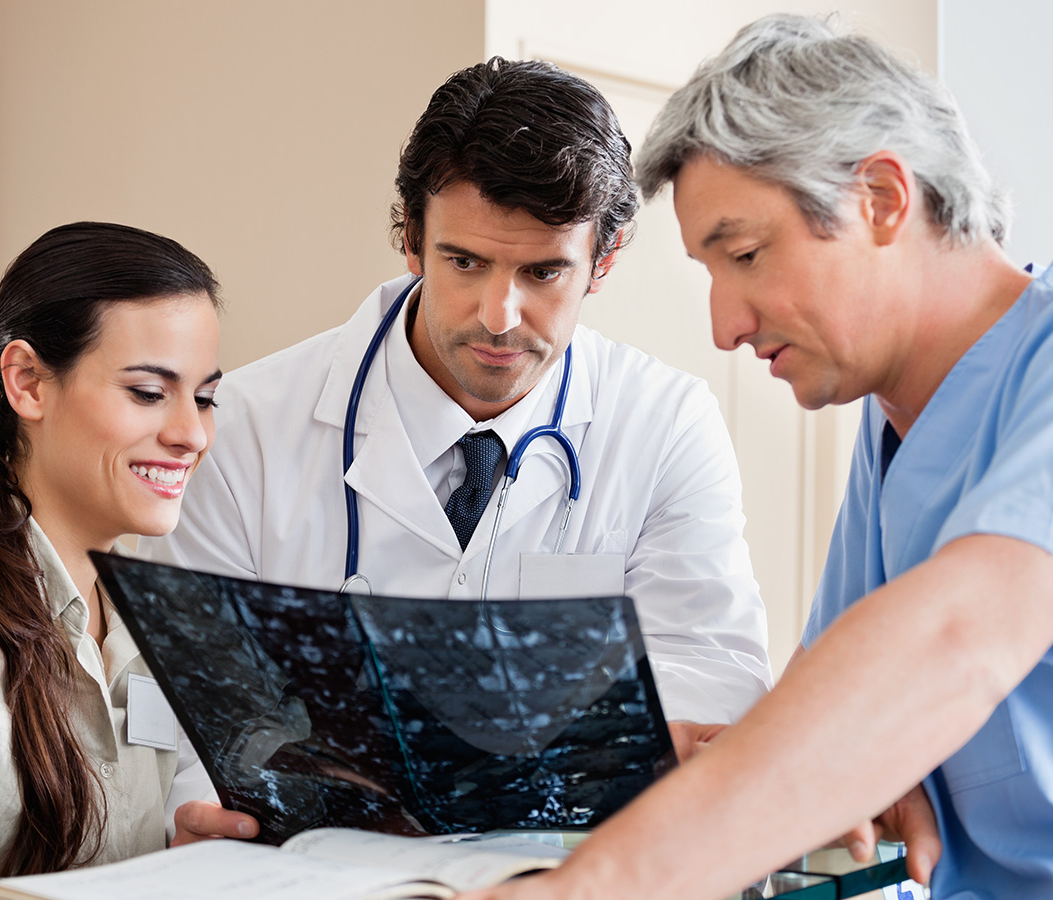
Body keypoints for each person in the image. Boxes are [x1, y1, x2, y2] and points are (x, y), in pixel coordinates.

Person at [458, 13, 1053, 900]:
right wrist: (834, 754)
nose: (724, 326)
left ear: (883, 199)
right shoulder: (899, 426)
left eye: (745, 254)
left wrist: (575, 892)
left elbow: (955, 638)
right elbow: (840, 702)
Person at [143, 57, 772, 727]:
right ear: (411, 239)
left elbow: (715, 680)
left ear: (603, 262)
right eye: (465, 262)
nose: (498, 315)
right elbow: (193, 699)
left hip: (567, 833)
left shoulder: (667, 423)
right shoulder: (244, 426)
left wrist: (537, 749)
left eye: (543, 271)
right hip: (304, 833)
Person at [0, 222, 257, 900]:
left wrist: (167, 862)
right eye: (149, 392)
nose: (192, 433)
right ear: (28, 383)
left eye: (205, 397)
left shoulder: (151, 614)